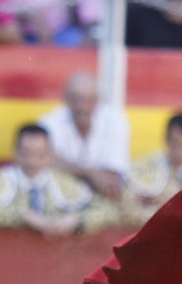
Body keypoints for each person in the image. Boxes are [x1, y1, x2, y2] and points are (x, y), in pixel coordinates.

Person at [0, 123, 119, 236]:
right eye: (27, 153)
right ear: (15, 153)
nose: (32, 161)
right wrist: (22, 216)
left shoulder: (66, 185)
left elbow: (108, 210)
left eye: (39, 154)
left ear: (50, 156)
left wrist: (76, 220)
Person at [39, 72, 131, 201]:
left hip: (102, 196)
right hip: (61, 196)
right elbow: (46, 163)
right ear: (66, 98)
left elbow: (114, 173)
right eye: (76, 99)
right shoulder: (49, 123)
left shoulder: (115, 120)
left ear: (98, 100)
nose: (82, 106)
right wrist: (91, 173)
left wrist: (71, 169)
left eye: (89, 100)